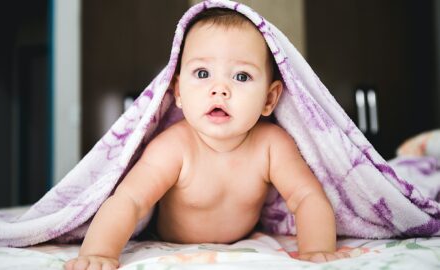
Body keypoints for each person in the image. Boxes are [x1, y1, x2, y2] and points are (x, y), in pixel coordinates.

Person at [65, 8, 348, 270]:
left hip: (246, 236)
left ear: (270, 98)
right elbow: (130, 200)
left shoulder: (272, 145)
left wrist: (316, 251)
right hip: (170, 238)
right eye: (202, 73)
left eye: (241, 76)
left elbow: (307, 196)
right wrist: (100, 252)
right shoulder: (174, 147)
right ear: (177, 91)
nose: (219, 89)